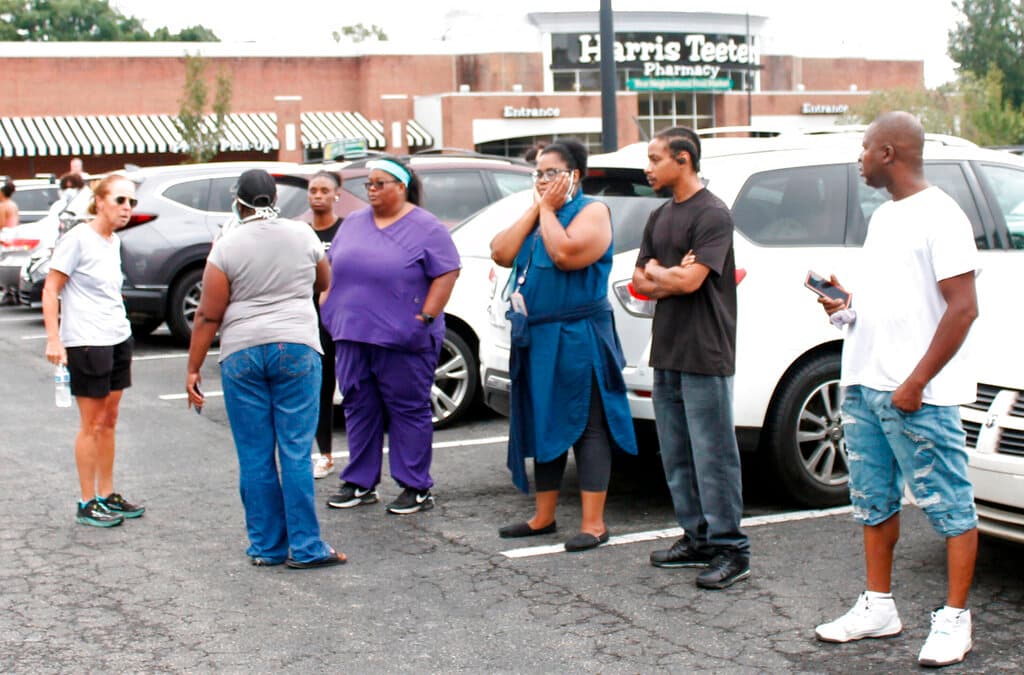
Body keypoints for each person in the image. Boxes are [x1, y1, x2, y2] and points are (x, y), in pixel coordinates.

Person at [813, 112, 979, 668]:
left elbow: (963, 308)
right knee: (872, 501)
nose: (859, 159)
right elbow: (894, 301)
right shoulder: (884, 216)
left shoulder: (943, 216)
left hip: (915, 393)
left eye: (865, 148)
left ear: (888, 152)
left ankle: (954, 619)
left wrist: (917, 381)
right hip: (864, 383)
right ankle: (878, 607)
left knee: (950, 506)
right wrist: (846, 306)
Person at [186, 169, 344, 569]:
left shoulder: (226, 245)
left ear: (238, 202)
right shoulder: (302, 234)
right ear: (274, 198)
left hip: (242, 352)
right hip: (297, 347)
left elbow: (207, 314)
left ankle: (267, 547)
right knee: (295, 451)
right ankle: (306, 547)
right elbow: (323, 279)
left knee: (255, 455)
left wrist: (193, 368)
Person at [490, 139, 638, 552]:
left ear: (574, 175)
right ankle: (543, 516)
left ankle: (594, 524)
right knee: (545, 420)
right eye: (538, 174)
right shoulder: (539, 212)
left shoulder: (593, 211)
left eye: (551, 173)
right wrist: (538, 209)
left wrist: (548, 211)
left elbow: (565, 255)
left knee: (587, 426)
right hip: (538, 337)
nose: (542, 180)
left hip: (577, 334)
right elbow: (501, 252)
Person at [633, 126, 750, 588]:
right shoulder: (659, 216)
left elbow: (691, 281)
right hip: (667, 349)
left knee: (713, 454)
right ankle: (697, 539)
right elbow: (640, 281)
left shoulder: (713, 214)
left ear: (682, 160)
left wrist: (663, 275)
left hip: (705, 350)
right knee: (677, 453)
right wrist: (667, 273)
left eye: (655, 159)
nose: (648, 168)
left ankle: (731, 549)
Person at [320, 158, 460, 515]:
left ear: (401, 186)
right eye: (368, 183)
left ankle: (416, 486)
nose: (371, 189)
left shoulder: (427, 227)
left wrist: (426, 315)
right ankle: (360, 482)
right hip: (352, 334)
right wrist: (327, 305)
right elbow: (331, 266)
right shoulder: (354, 223)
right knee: (358, 406)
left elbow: (447, 272)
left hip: (403, 336)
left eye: (379, 183)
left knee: (407, 409)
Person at [42, 174, 144, 528]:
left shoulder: (113, 242)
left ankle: (107, 493)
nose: (127, 208)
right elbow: (51, 288)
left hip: (117, 336)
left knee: (110, 419)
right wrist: (54, 340)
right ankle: (87, 502)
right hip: (86, 340)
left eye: (131, 202)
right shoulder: (77, 239)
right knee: (92, 422)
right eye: (120, 200)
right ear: (99, 201)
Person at [307, 171, 344, 479]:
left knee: (354, 387)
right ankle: (325, 454)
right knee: (320, 388)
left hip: (343, 317)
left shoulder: (345, 230)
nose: (318, 195)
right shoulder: (302, 233)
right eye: (313, 190)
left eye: (324, 190)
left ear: (336, 195)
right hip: (310, 320)